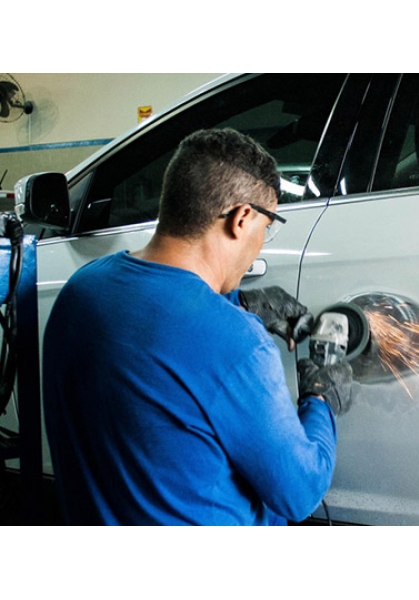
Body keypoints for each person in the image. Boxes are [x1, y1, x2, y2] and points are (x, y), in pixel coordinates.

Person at [42, 128, 353, 525]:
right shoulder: (238, 344)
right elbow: (301, 493)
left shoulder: (83, 288)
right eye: (267, 226)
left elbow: (161, 329)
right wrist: (322, 397)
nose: (262, 242)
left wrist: (238, 302)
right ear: (242, 219)